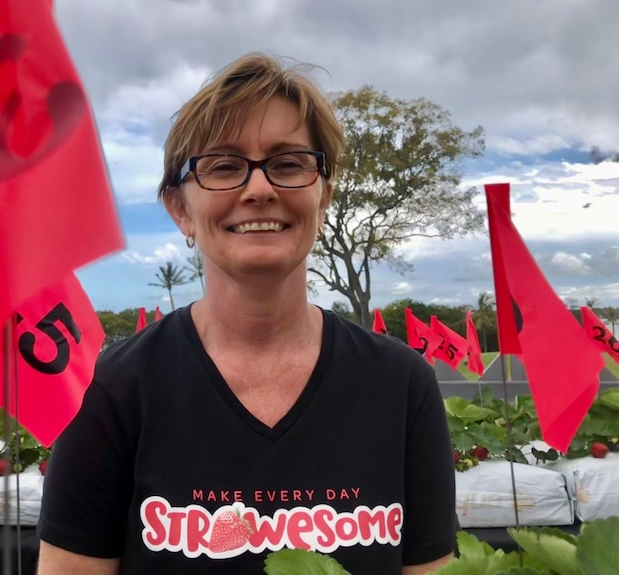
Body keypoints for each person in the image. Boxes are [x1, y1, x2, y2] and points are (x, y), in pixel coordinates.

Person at [36, 52, 458, 575]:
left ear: (323, 193)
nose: (259, 189)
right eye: (223, 166)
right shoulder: (112, 390)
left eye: (288, 164)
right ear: (179, 208)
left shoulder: (401, 384)